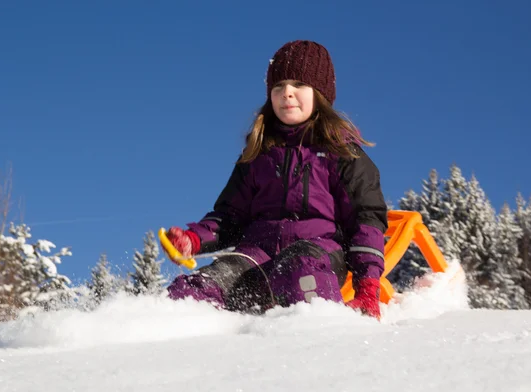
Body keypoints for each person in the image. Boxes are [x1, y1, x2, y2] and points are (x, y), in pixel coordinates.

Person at [162, 40, 388, 319]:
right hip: (256, 256)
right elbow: (229, 216)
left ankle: (320, 339)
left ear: (321, 93)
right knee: (196, 289)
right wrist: (194, 239)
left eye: (298, 85)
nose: (287, 93)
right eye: (278, 87)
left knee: (300, 269)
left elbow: (365, 220)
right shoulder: (258, 155)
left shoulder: (341, 153)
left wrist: (367, 285)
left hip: (317, 254)